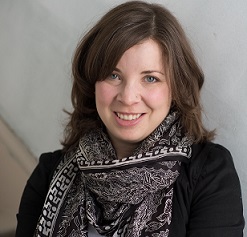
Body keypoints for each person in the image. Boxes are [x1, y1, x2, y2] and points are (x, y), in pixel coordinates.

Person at [15, 1, 244, 236]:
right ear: (92, 82)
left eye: (151, 78)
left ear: (176, 86)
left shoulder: (209, 174)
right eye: (113, 75)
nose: (128, 97)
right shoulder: (48, 174)